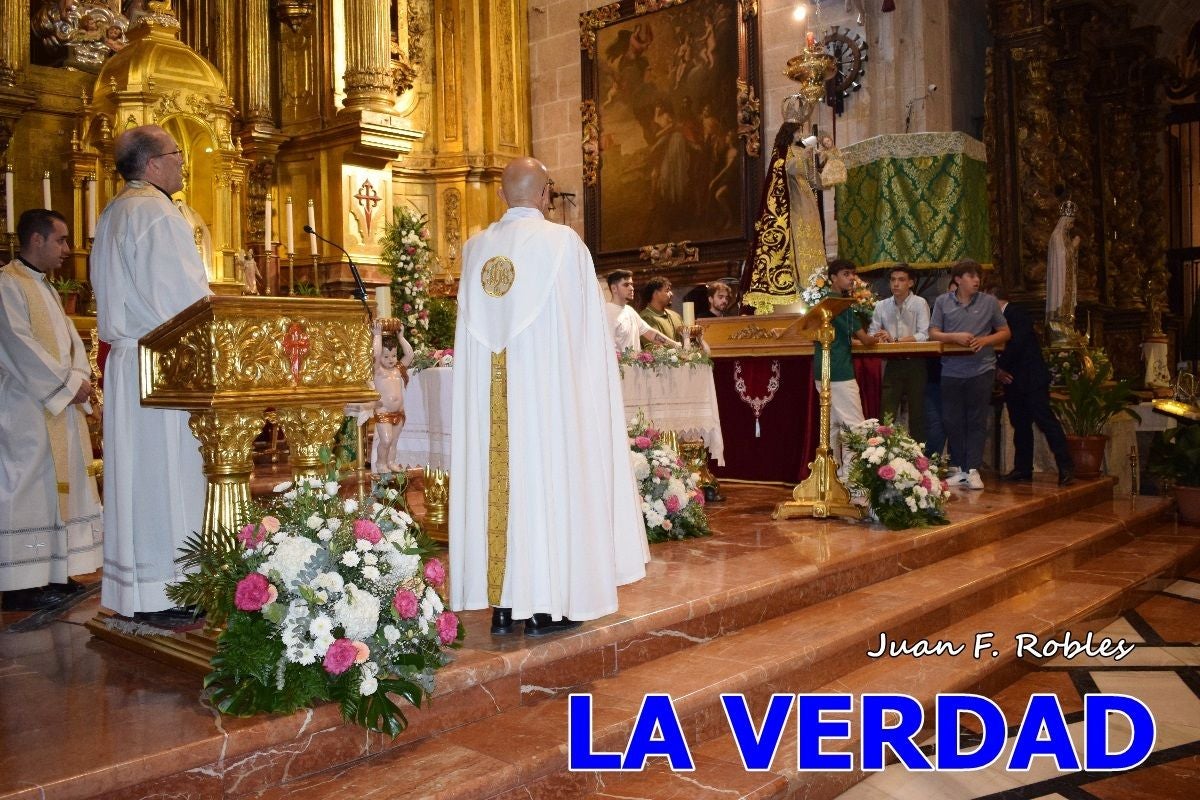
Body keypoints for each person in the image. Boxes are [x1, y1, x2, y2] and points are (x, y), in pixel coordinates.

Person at [449, 156, 648, 637]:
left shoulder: (475, 251)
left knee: (497, 480)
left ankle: (501, 605)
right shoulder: (564, 245)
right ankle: (546, 607)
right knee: (546, 481)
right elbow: (587, 336)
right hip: (548, 402)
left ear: (501, 196)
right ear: (545, 196)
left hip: (491, 402)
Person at [91, 124, 212, 621]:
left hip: (130, 362)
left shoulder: (116, 211)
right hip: (164, 360)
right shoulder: (156, 214)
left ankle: (137, 591)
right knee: (168, 476)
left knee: (137, 477)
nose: (184, 163)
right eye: (176, 154)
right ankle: (170, 590)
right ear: (153, 164)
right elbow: (182, 303)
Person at [0, 209, 103, 611]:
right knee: (26, 487)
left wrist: (78, 378)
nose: (66, 249)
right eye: (60, 240)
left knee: (61, 488)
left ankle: (55, 571)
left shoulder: (47, 288)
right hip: (26, 408)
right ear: (37, 239)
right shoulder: (8, 284)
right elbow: (17, 345)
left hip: (59, 406)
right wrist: (66, 385)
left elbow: (72, 345)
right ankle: (18, 580)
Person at [929, 260, 1011, 491]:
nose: (976, 280)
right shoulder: (943, 302)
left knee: (976, 419)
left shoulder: (989, 302)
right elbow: (933, 332)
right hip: (951, 371)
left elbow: (1005, 332)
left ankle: (973, 469)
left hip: (981, 369)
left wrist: (984, 340)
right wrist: (954, 337)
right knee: (952, 421)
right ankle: (959, 468)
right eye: (970, 276)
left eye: (978, 276)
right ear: (957, 279)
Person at [741, 119, 829, 313]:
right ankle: (801, 286)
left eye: (801, 132)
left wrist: (828, 173)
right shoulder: (783, 151)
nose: (800, 135)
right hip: (794, 206)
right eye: (798, 132)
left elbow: (813, 178)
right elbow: (789, 169)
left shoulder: (801, 150)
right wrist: (806, 152)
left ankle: (818, 287)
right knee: (797, 245)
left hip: (808, 203)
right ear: (790, 133)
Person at [992, 287, 1075, 486]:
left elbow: (1016, 344)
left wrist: (1000, 367)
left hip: (1031, 379)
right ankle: (1022, 468)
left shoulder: (1017, 313)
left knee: (1046, 422)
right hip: (1012, 381)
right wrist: (997, 370)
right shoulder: (993, 322)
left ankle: (1066, 466)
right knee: (1020, 425)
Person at [815, 259, 877, 478]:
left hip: (823, 369)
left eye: (852, 274)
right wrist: (878, 337)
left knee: (832, 426)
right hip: (839, 371)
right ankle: (853, 477)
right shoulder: (836, 304)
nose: (851, 278)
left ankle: (832, 475)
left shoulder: (828, 301)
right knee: (854, 426)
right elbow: (865, 339)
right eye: (845, 274)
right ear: (832, 278)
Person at [868, 264, 930, 442]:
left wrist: (895, 340)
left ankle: (920, 461)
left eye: (901, 280)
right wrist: (879, 337)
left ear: (911, 283)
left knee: (917, 413)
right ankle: (883, 456)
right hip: (892, 362)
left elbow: (924, 334)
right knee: (886, 413)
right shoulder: (881, 305)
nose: (896, 284)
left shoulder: (919, 303)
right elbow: (873, 332)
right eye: (893, 280)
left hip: (915, 362)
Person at [372, 320, 415, 473]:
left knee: (394, 441)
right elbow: (376, 355)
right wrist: (377, 336)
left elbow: (410, 354)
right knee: (386, 440)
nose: (391, 359)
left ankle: (390, 461)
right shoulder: (378, 371)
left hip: (399, 412)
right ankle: (380, 463)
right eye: (386, 356)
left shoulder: (398, 369)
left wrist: (401, 337)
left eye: (394, 355)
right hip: (383, 411)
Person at [605, 269, 677, 352]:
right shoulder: (607, 313)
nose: (631, 288)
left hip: (635, 364)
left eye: (631, 284)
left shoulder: (629, 310)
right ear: (614, 288)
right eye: (626, 285)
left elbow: (651, 334)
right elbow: (607, 349)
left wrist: (675, 345)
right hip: (618, 365)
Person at [1045, 200, 1081, 345]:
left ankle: (1066, 325)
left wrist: (1072, 247)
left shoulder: (1065, 236)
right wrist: (1074, 246)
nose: (1071, 226)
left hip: (1067, 279)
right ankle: (1059, 326)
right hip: (1060, 280)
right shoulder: (1057, 236)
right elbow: (1061, 257)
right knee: (1061, 302)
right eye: (1070, 222)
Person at [639, 275, 684, 341]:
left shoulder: (676, 316)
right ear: (655, 294)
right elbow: (654, 348)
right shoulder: (645, 318)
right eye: (667, 291)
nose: (671, 294)